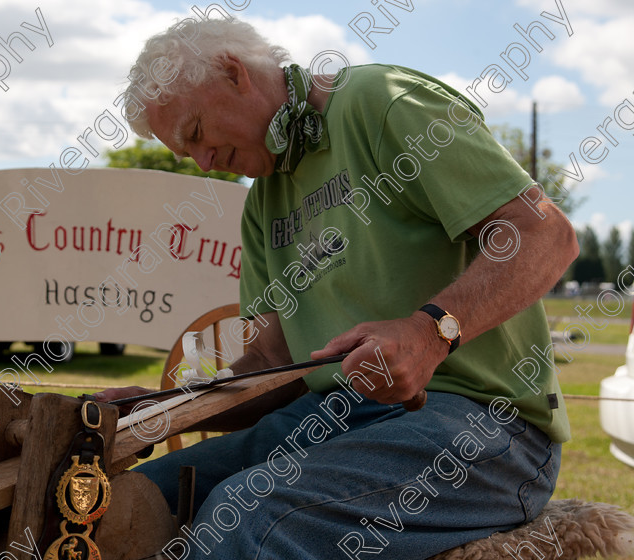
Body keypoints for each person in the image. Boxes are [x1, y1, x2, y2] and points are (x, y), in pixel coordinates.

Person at [95, 17, 579, 560]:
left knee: (247, 523)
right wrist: (165, 409)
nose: (205, 163)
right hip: (331, 419)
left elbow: (545, 234)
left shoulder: (381, 103)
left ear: (234, 73)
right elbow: (272, 367)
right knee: (125, 501)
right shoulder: (262, 207)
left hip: (484, 425)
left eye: (197, 134)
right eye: (189, 156)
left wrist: (430, 333)